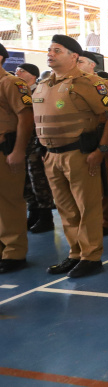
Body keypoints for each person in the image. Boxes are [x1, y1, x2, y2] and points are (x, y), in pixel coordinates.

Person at [32, 35, 108, 277]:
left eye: (57, 50)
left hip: (80, 153)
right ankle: (75, 253)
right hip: (51, 156)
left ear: (74, 56)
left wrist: (101, 150)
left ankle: (91, 256)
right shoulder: (43, 84)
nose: (50, 53)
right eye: (49, 50)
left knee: (87, 206)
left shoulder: (89, 83)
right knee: (65, 208)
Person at [78, 51, 108, 235]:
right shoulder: (68, 84)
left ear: (91, 65)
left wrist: (104, 145)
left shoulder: (104, 86)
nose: (76, 64)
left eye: (80, 61)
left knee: (103, 182)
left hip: (99, 138)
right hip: (77, 142)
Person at [0, 42, 33, 274]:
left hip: (5, 149)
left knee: (9, 202)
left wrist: (19, 150)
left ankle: (14, 251)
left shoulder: (12, 83)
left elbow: (25, 117)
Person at [15, 63, 57, 233]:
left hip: (37, 143)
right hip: (24, 143)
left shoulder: (39, 91)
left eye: (21, 71)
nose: (17, 72)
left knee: (39, 180)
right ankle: (34, 213)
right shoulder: (21, 92)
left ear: (32, 75)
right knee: (26, 181)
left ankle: (46, 217)